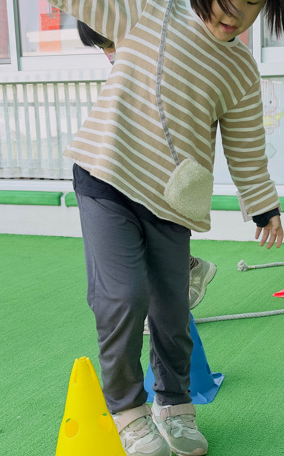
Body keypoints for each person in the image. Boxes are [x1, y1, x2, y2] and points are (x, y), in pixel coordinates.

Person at [0, 0, 284, 456]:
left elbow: (245, 146)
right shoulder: (147, 8)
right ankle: (128, 410)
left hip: (170, 204)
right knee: (123, 297)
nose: (234, 12)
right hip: (107, 178)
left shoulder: (241, 71)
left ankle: (175, 404)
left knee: (171, 311)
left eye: (253, 2)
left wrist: (262, 204)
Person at [76, 19, 217, 320]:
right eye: (103, 48)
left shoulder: (157, 55)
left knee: (145, 246)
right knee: (126, 249)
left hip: (156, 171)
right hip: (119, 170)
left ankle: (182, 274)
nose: (109, 54)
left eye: (110, 44)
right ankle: (183, 272)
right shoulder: (128, 68)